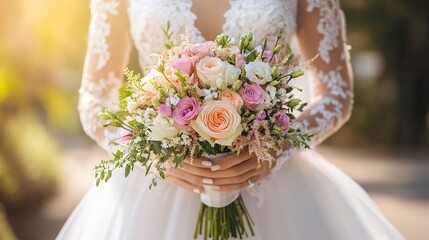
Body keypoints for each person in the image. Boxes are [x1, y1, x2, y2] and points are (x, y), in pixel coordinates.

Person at [57, 0, 404, 239]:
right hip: (157, 191)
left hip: (273, 182)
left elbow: (336, 94)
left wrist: (277, 147)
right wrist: (152, 153)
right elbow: (94, 99)